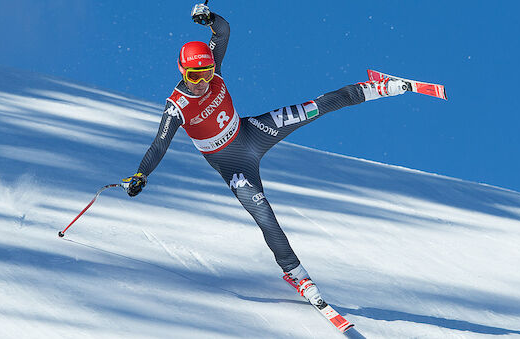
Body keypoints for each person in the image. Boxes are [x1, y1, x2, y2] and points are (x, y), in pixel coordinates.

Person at [123, 3, 406, 306]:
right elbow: (158, 145)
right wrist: (142, 173)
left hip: (251, 132)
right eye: (195, 76)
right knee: (265, 217)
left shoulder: (213, 72)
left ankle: (376, 89)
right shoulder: (176, 106)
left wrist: (210, 18)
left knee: (312, 108)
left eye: (207, 73)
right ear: (183, 72)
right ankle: (296, 273)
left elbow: (223, 31)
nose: (203, 83)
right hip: (232, 164)